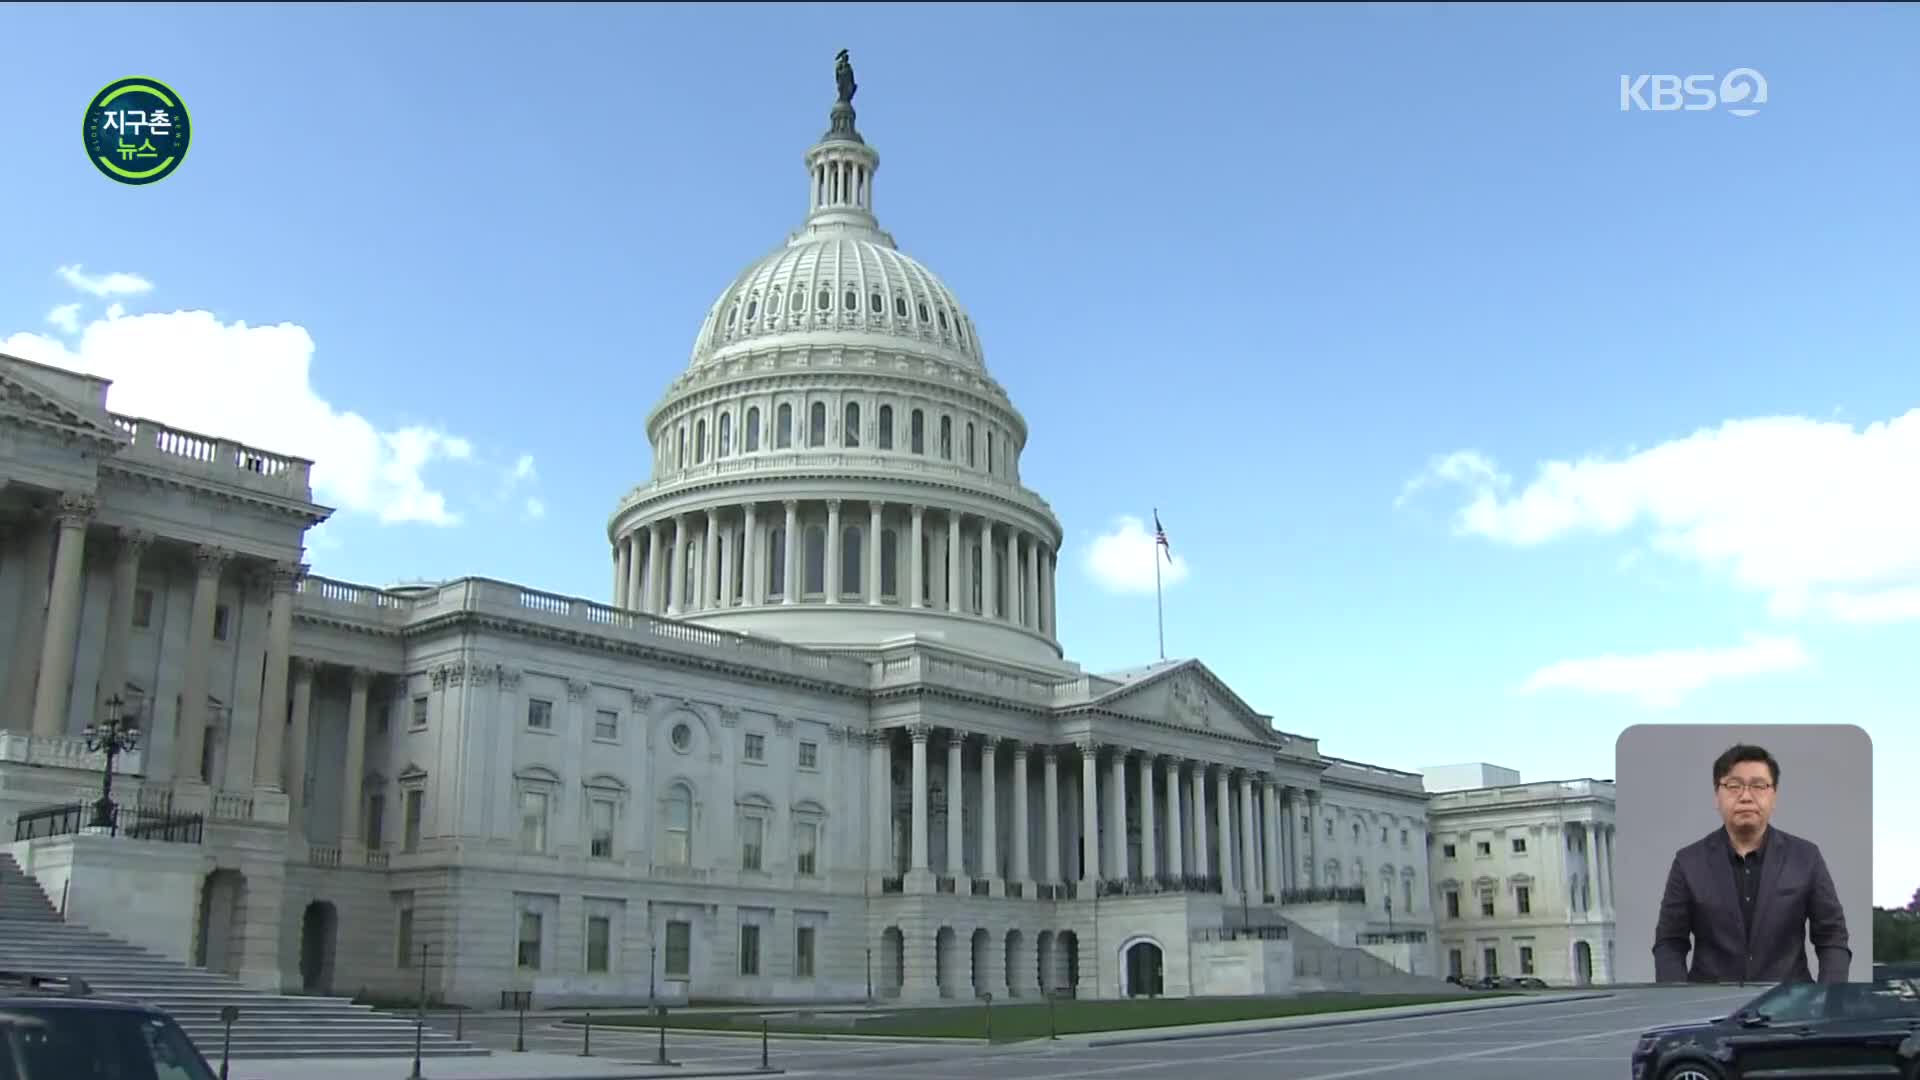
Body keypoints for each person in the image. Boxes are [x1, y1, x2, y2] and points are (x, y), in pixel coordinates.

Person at [1652, 743, 1850, 983]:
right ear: (1717, 796)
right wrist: (1677, 1002)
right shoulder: (1689, 862)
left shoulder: (1806, 857)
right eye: (1733, 786)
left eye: (1758, 786)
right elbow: (1669, 943)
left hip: (1788, 1004)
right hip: (1710, 1006)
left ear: (1773, 795)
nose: (1746, 796)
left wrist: (1828, 999)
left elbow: (1832, 937)